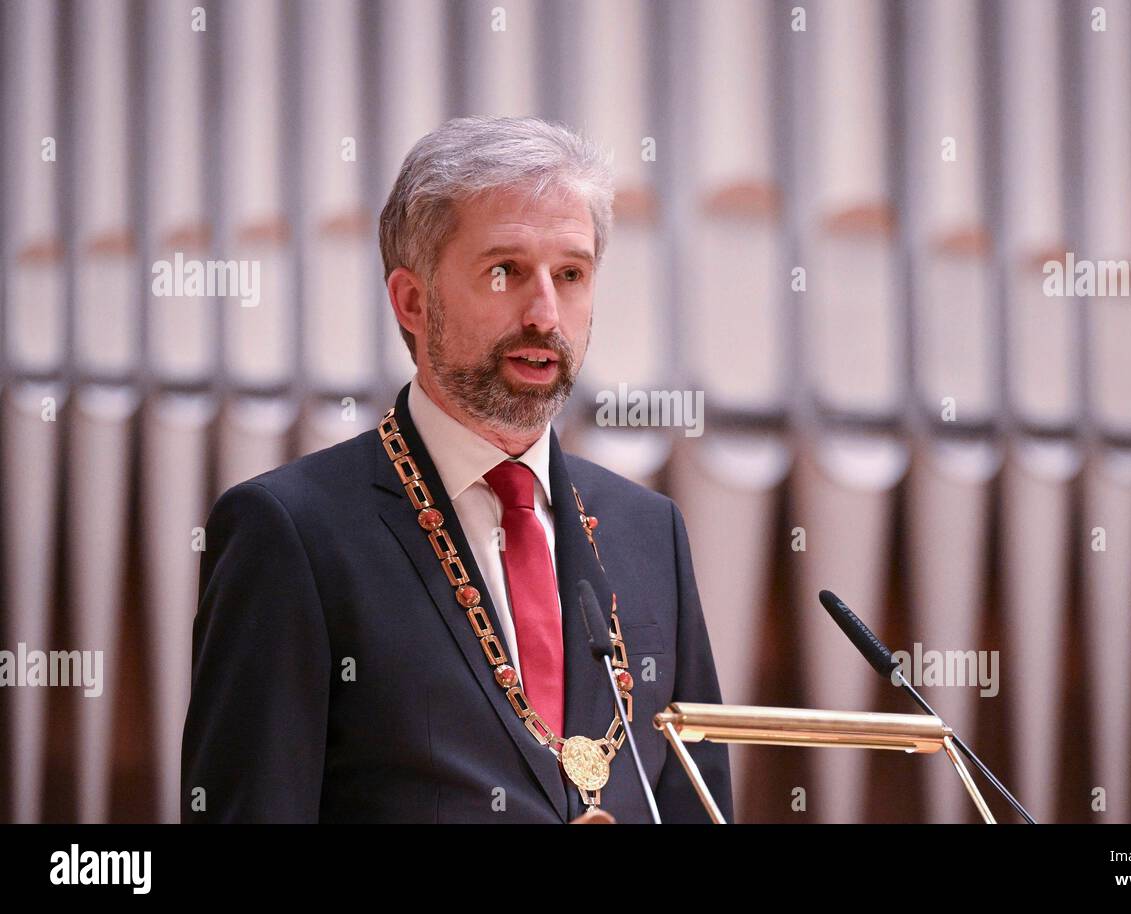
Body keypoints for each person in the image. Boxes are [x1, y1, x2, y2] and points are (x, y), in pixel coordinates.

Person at [181, 115, 732, 823]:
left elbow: (699, 801)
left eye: (570, 274)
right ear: (412, 301)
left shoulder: (649, 530)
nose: (544, 312)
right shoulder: (290, 532)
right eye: (505, 272)